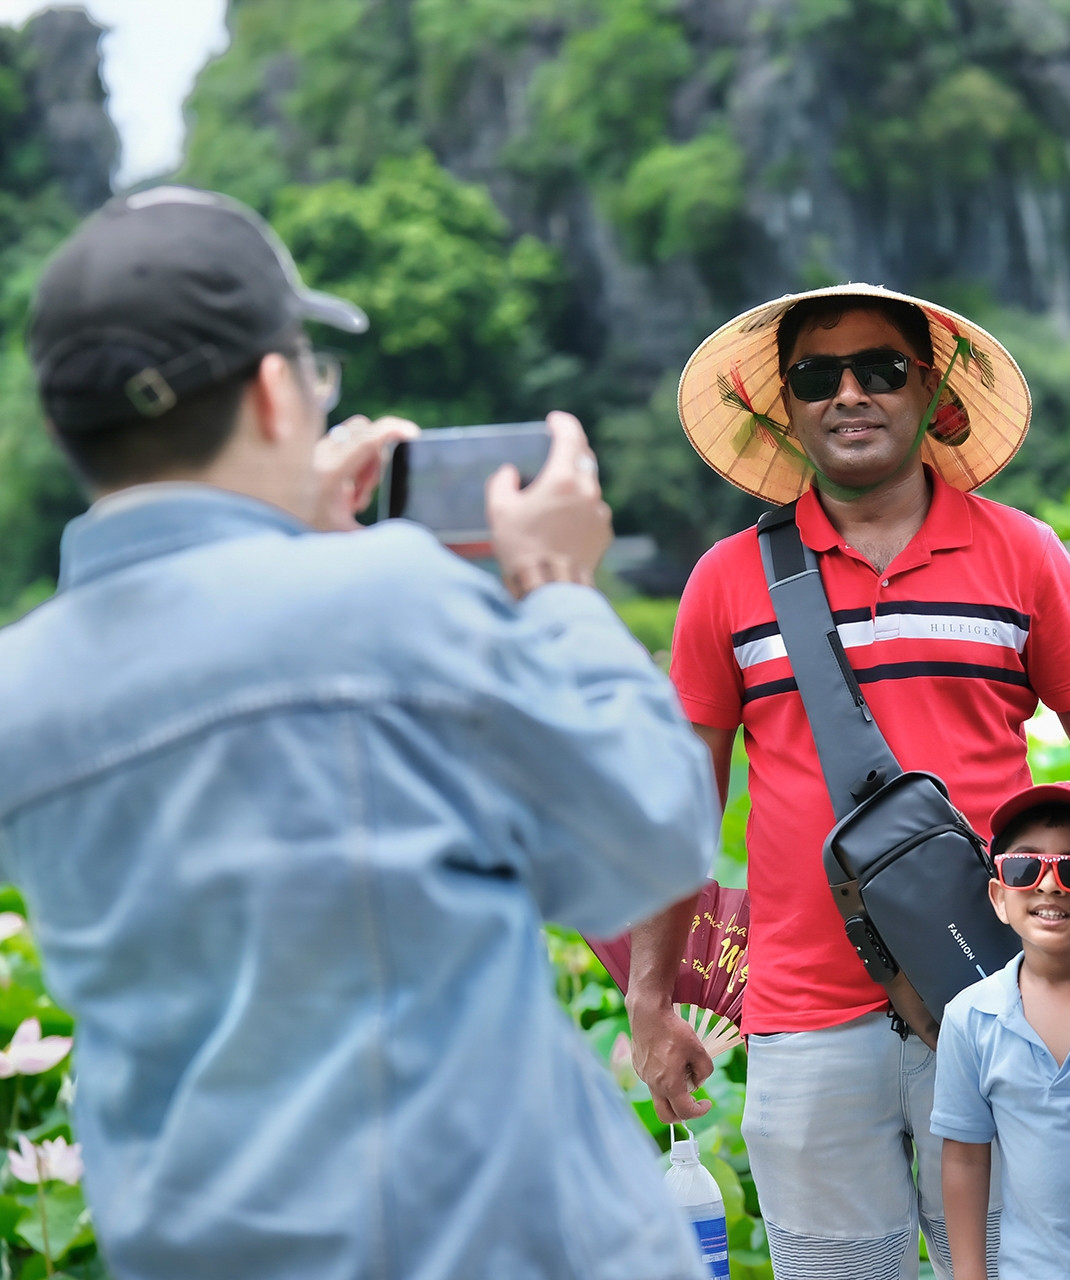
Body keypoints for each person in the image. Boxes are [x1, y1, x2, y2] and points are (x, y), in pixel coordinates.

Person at [0, 187, 720, 1279]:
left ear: (63, 427)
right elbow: (651, 835)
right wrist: (555, 585)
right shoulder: (388, 599)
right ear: (275, 391)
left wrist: (298, 546)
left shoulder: (23, 689)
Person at [627, 284, 1070, 1277]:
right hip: (804, 1018)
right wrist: (651, 999)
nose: (850, 394)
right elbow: (680, 810)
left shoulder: (1022, 553)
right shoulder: (726, 581)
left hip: (1005, 997)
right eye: (818, 376)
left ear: (928, 390)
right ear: (786, 404)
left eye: (880, 369)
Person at [934, 781, 1070, 1280]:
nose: (1049, 885)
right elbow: (965, 1159)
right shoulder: (970, 1017)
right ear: (999, 897)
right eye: (1024, 867)